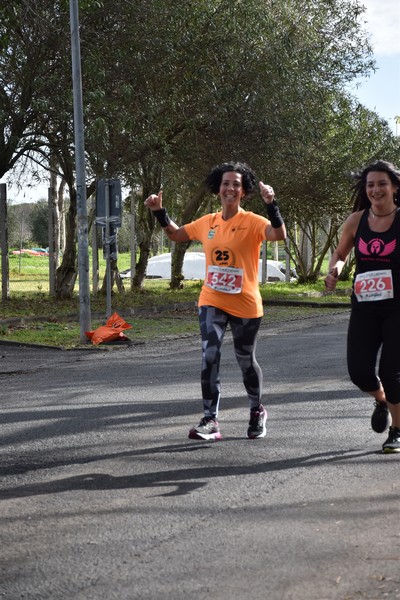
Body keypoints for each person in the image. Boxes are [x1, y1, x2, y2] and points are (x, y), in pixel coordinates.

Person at [145, 161, 286, 440]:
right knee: (209, 355)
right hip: (212, 299)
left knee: (245, 359)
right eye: (225, 183)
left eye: (236, 184)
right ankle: (210, 420)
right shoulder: (207, 222)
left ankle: (257, 410)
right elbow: (175, 234)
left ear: (243, 191)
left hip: (246, 302)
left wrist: (272, 204)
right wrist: (159, 211)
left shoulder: (253, 221)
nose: (230, 188)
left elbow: (279, 234)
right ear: (218, 189)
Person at [325, 160, 400, 453]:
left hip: (397, 308)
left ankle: (396, 429)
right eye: (370, 184)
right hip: (365, 306)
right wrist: (335, 269)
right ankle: (381, 399)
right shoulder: (356, 220)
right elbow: (341, 253)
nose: (375, 189)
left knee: (393, 370)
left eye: (382, 183)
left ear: (394, 187)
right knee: (359, 371)